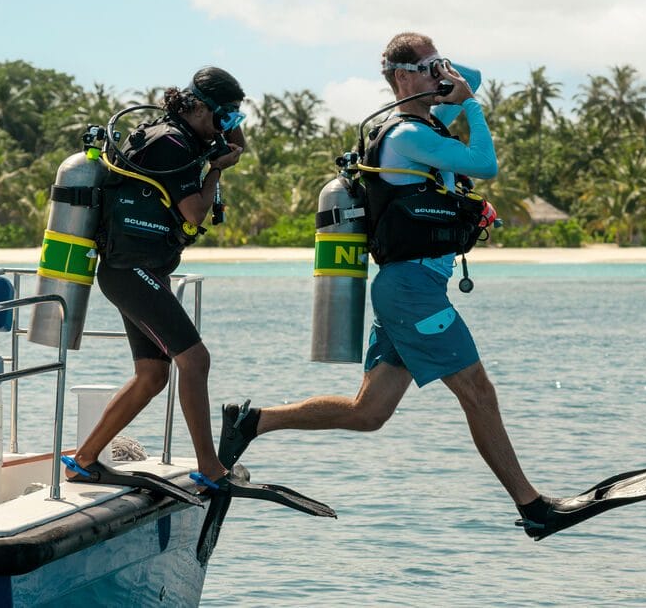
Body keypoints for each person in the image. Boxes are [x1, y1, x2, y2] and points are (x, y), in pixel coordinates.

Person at [218, 33, 556, 534]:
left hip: (411, 288)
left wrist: (434, 67)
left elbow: (473, 78)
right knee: (479, 393)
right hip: (411, 290)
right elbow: (486, 165)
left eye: (440, 65)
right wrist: (471, 108)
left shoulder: (424, 120)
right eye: (428, 67)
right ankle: (532, 507)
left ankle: (252, 421)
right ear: (402, 77)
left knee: (368, 412)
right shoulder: (406, 136)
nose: (441, 74)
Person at [64, 66, 246, 490]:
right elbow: (194, 213)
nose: (228, 127)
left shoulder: (178, 134)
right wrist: (215, 170)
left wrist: (229, 126)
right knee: (195, 360)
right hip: (132, 270)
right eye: (224, 116)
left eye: (233, 118)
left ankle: (84, 461)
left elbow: (237, 145)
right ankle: (211, 468)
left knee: (153, 374)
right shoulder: (172, 144)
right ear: (198, 107)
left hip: (136, 269)